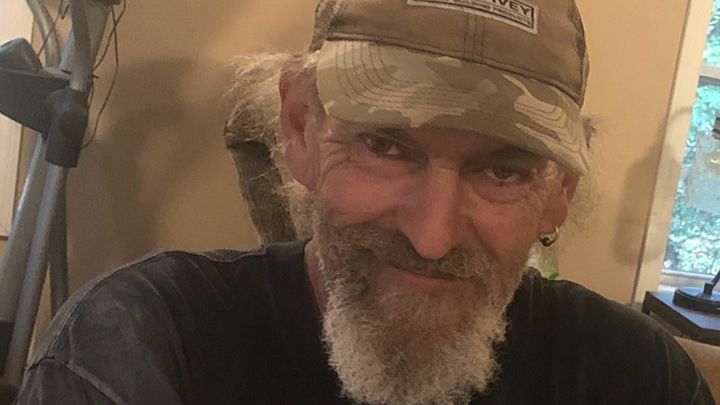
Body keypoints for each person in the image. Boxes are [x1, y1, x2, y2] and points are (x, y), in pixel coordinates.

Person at [13, 0, 716, 404]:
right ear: (299, 128)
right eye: (386, 145)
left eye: (503, 170)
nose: (434, 236)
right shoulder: (143, 347)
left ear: (559, 192)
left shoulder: (637, 379)